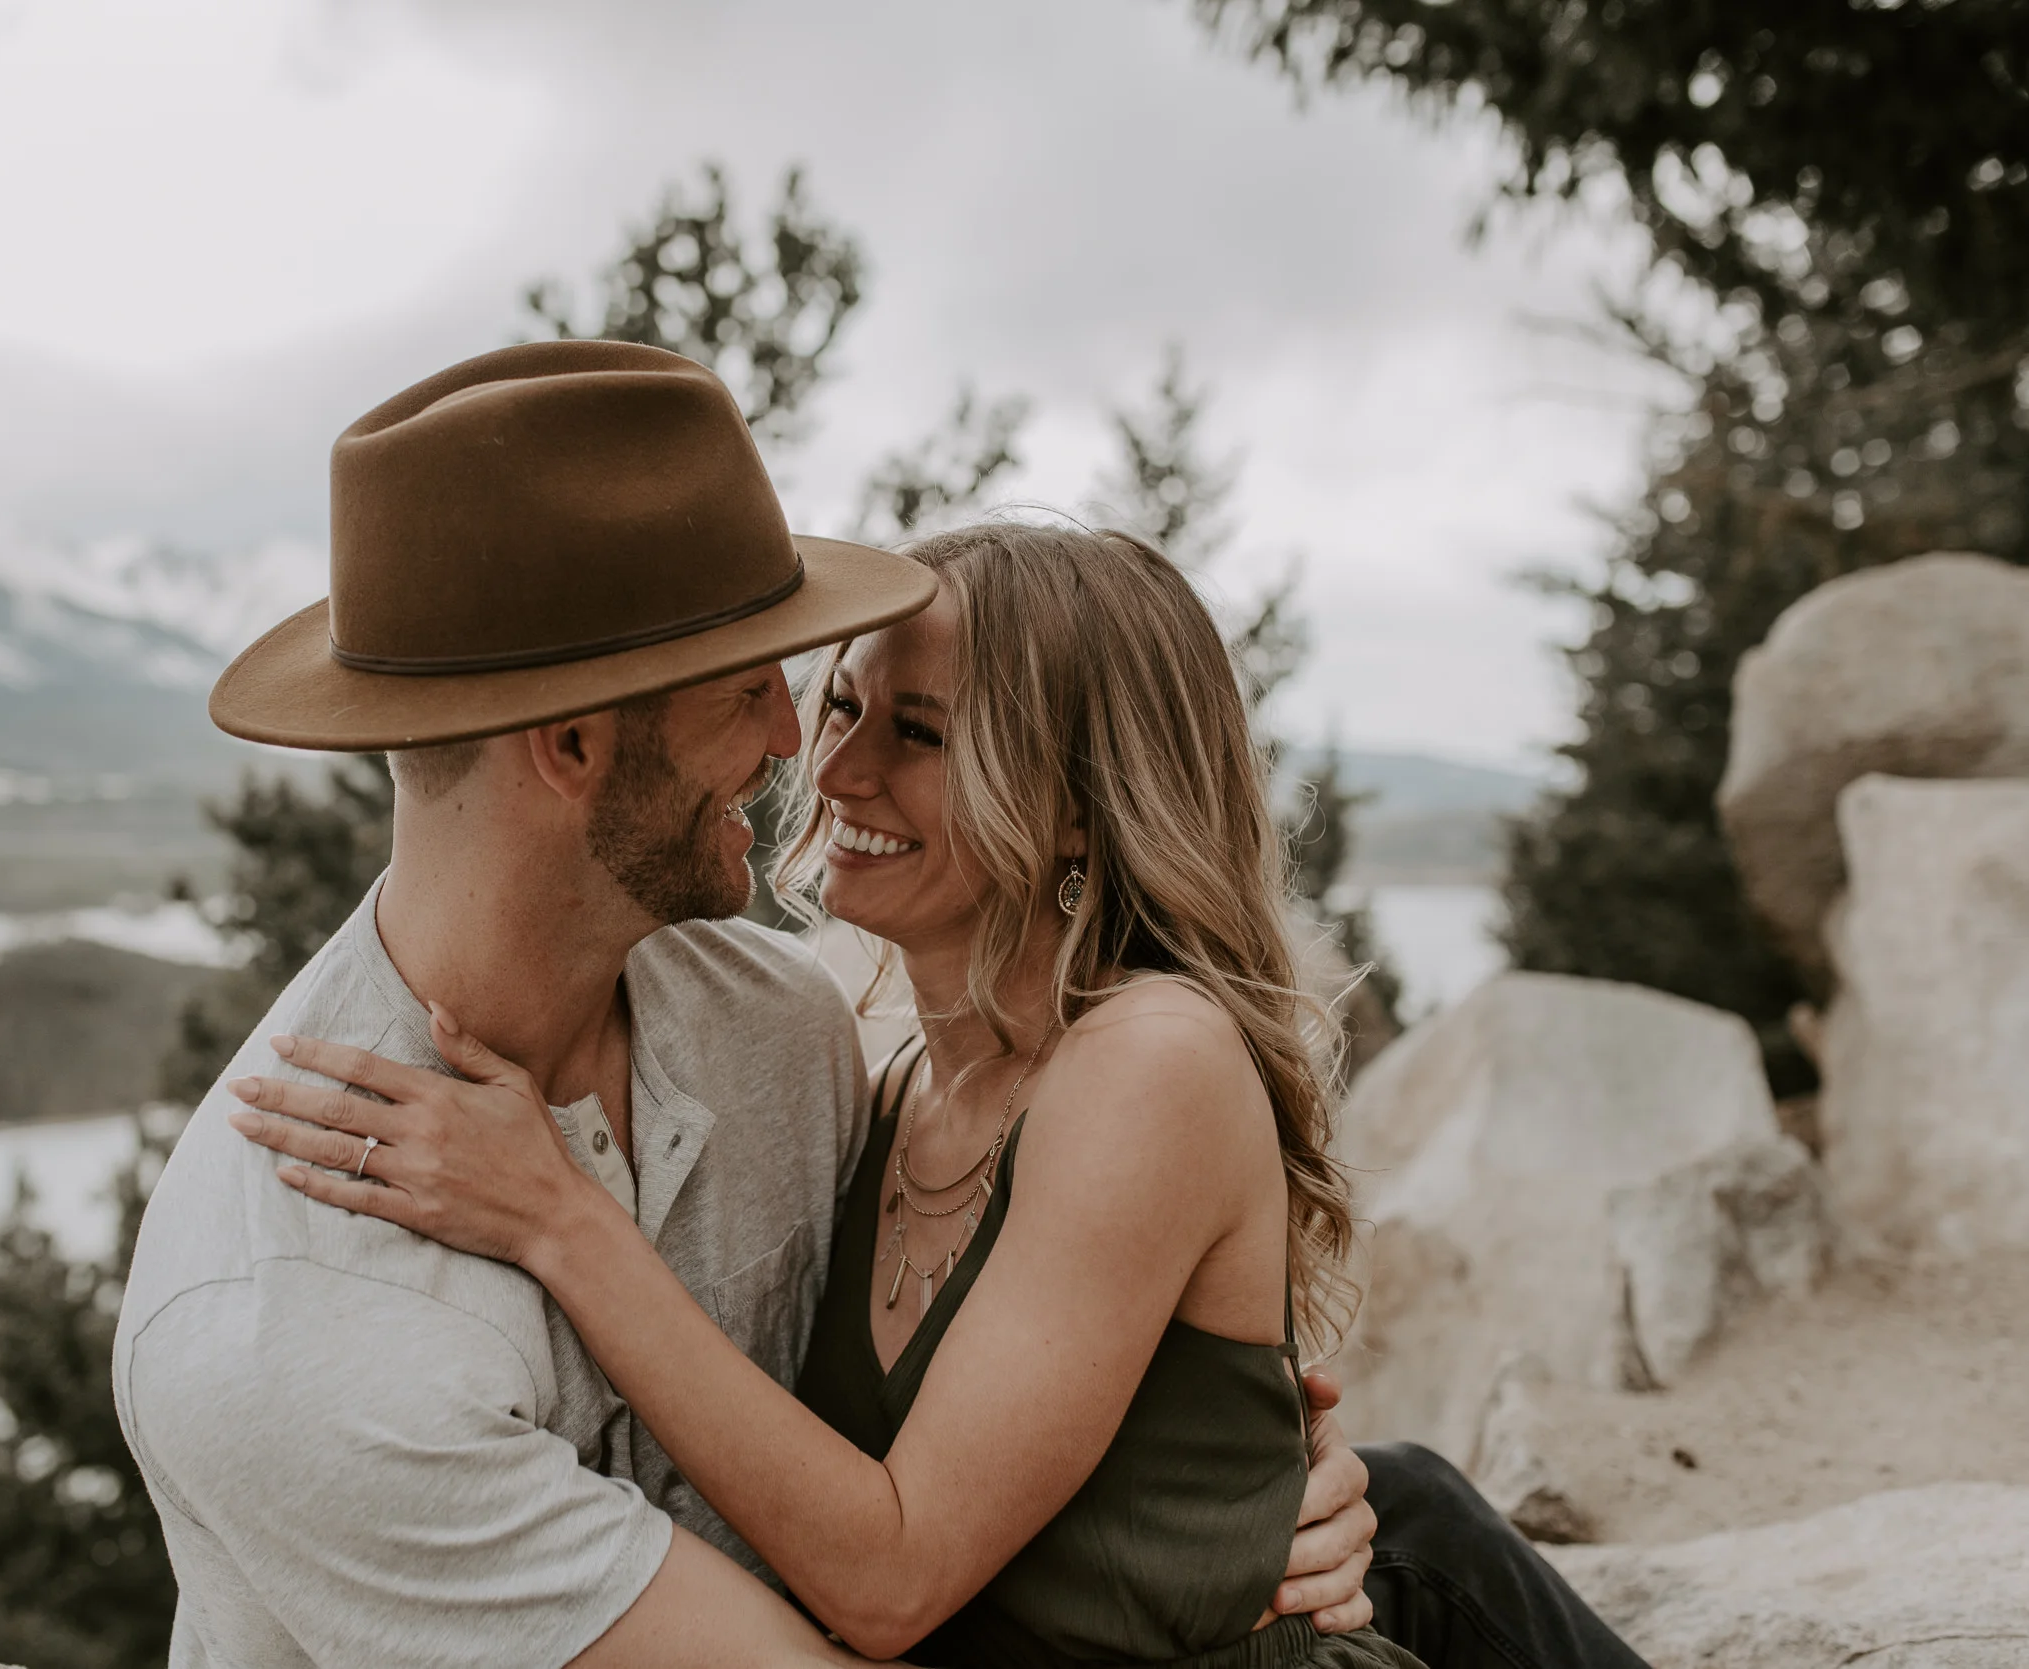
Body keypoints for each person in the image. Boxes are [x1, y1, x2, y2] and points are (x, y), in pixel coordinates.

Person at [113, 340, 1383, 1669]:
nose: (806, 754)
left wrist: (1249, 1497)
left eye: (901, 722)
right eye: (764, 693)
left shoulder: (782, 1038)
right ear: (573, 744)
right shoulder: (295, 1333)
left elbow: (997, 1439)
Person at [232, 522, 1653, 1669]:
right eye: (842, 703)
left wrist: (558, 1217)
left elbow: (899, 1577)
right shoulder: (879, 1076)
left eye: (920, 731)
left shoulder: (1145, 1060)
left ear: (1083, 799)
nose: (835, 768)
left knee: (1406, 1508)